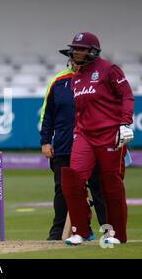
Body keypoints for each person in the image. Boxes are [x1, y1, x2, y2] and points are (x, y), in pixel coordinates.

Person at [60, 32, 134, 245]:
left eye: (81, 49)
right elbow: (82, 110)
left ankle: (117, 234)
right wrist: (77, 130)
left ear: (92, 51)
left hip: (110, 133)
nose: (76, 53)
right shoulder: (76, 78)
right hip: (84, 134)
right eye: (74, 49)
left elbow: (127, 96)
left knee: (111, 183)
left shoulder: (109, 70)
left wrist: (125, 123)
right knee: (72, 178)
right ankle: (80, 231)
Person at [40, 58, 107, 241]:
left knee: (98, 188)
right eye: (74, 58)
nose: (78, 62)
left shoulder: (99, 79)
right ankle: (57, 232)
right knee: (63, 190)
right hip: (64, 146)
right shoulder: (59, 81)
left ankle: (109, 232)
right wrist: (46, 141)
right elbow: (48, 114)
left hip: (93, 145)